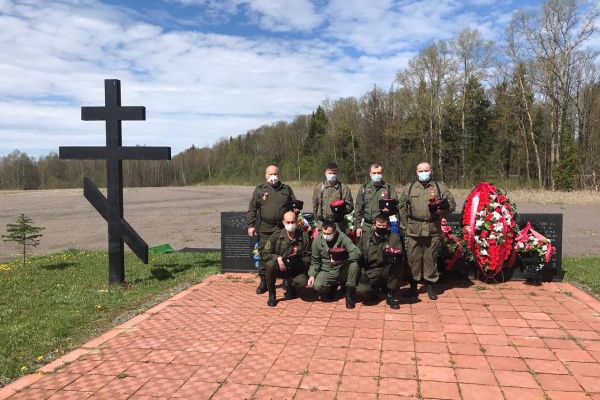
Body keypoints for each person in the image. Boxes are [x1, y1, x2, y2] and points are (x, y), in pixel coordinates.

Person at [398, 162, 456, 300]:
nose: (423, 173)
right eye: (420, 171)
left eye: (426, 170)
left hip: (432, 228)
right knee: (413, 258)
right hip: (414, 228)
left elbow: (452, 205)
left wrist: (443, 210)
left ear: (431, 171)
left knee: (431, 257)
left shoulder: (439, 187)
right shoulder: (409, 188)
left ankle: (431, 286)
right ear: (416, 172)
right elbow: (402, 208)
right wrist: (405, 226)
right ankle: (413, 286)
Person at [246, 165, 297, 294]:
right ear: (266, 175)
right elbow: (252, 209)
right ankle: (264, 281)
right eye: (270, 174)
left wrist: (296, 208)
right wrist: (250, 225)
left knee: (285, 252)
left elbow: (294, 203)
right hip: (266, 227)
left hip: (282, 227)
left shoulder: (286, 189)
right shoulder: (259, 190)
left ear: (278, 175)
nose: (273, 177)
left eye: (275, 174)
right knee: (264, 253)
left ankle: (286, 279)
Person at [308, 219, 361, 309]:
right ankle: (332, 286)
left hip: (342, 268)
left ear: (335, 231)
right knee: (318, 286)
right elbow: (315, 260)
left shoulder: (342, 237)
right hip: (327, 269)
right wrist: (312, 275)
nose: (326, 236)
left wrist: (341, 260)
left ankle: (349, 294)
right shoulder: (317, 241)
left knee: (354, 265)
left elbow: (357, 253)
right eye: (324, 233)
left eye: (329, 234)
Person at [261, 211, 310, 307]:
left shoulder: (303, 237)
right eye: (288, 222)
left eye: (292, 222)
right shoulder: (276, 236)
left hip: (296, 269)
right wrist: (277, 258)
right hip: (281, 268)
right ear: (283, 222)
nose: (290, 224)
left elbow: (310, 256)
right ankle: (272, 294)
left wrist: (300, 262)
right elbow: (264, 253)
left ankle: (292, 286)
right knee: (270, 265)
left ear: (296, 221)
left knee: (302, 282)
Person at [356, 214, 404, 309]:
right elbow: (358, 255)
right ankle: (374, 290)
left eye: (384, 226)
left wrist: (394, 257)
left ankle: (390, 295)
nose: (381, 228)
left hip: (387, 268)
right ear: (374, 225)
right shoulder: (366, 237)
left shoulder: (394, 238)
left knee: (398, 267)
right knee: (362, 291)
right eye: (379, 225)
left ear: (388, 226)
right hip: (371, 270)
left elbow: (399, 255)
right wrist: (362, 272)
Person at [354, 163, 399, 239]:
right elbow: (358, 208)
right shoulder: (364, 189)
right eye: (374, 173)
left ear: (382, 173)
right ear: (370, 174)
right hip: (367, 227)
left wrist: (389, 210)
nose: (376, 175)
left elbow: (396, 206)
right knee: (366, 249)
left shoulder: (389, 188)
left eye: (379, 173)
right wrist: (358, 226)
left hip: (383, 226)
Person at [312, 162, 354, 233]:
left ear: (337, 173)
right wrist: (317, 220)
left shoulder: (344, 188)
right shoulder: (319, 187)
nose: (332, 175)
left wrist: (341, 210)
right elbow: (315, 205)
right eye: (330, 173)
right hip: (322, 225)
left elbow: (350, 206)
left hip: (338, 225)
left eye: (334, 173)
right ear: (325, 173)